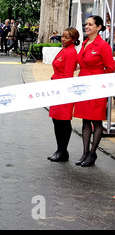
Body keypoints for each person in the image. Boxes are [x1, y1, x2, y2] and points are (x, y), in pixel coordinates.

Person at [74, 15, 115, 167]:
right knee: (85, 119)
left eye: (91, 24)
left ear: (98, 27)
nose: (87, 26)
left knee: (96, 120)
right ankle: (85, 152)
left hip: (96, 86)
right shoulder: (84, 43)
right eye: (86, 24)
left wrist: (99, 83)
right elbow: (80, 63)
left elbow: (110, 68)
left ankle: (92, 153)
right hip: (83, 84)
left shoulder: (103, 46)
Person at [47, 27, 79, 162]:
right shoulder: (64, 49)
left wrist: (62, 91)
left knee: (63, 121)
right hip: (57, 88)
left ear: (74, 40)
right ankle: (60, 150)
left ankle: (62, 151)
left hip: (63, 90)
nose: (63, 39)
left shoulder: (71, 52)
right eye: (63, 36)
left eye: (67, 37)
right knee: (56, 120)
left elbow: (68, 74)